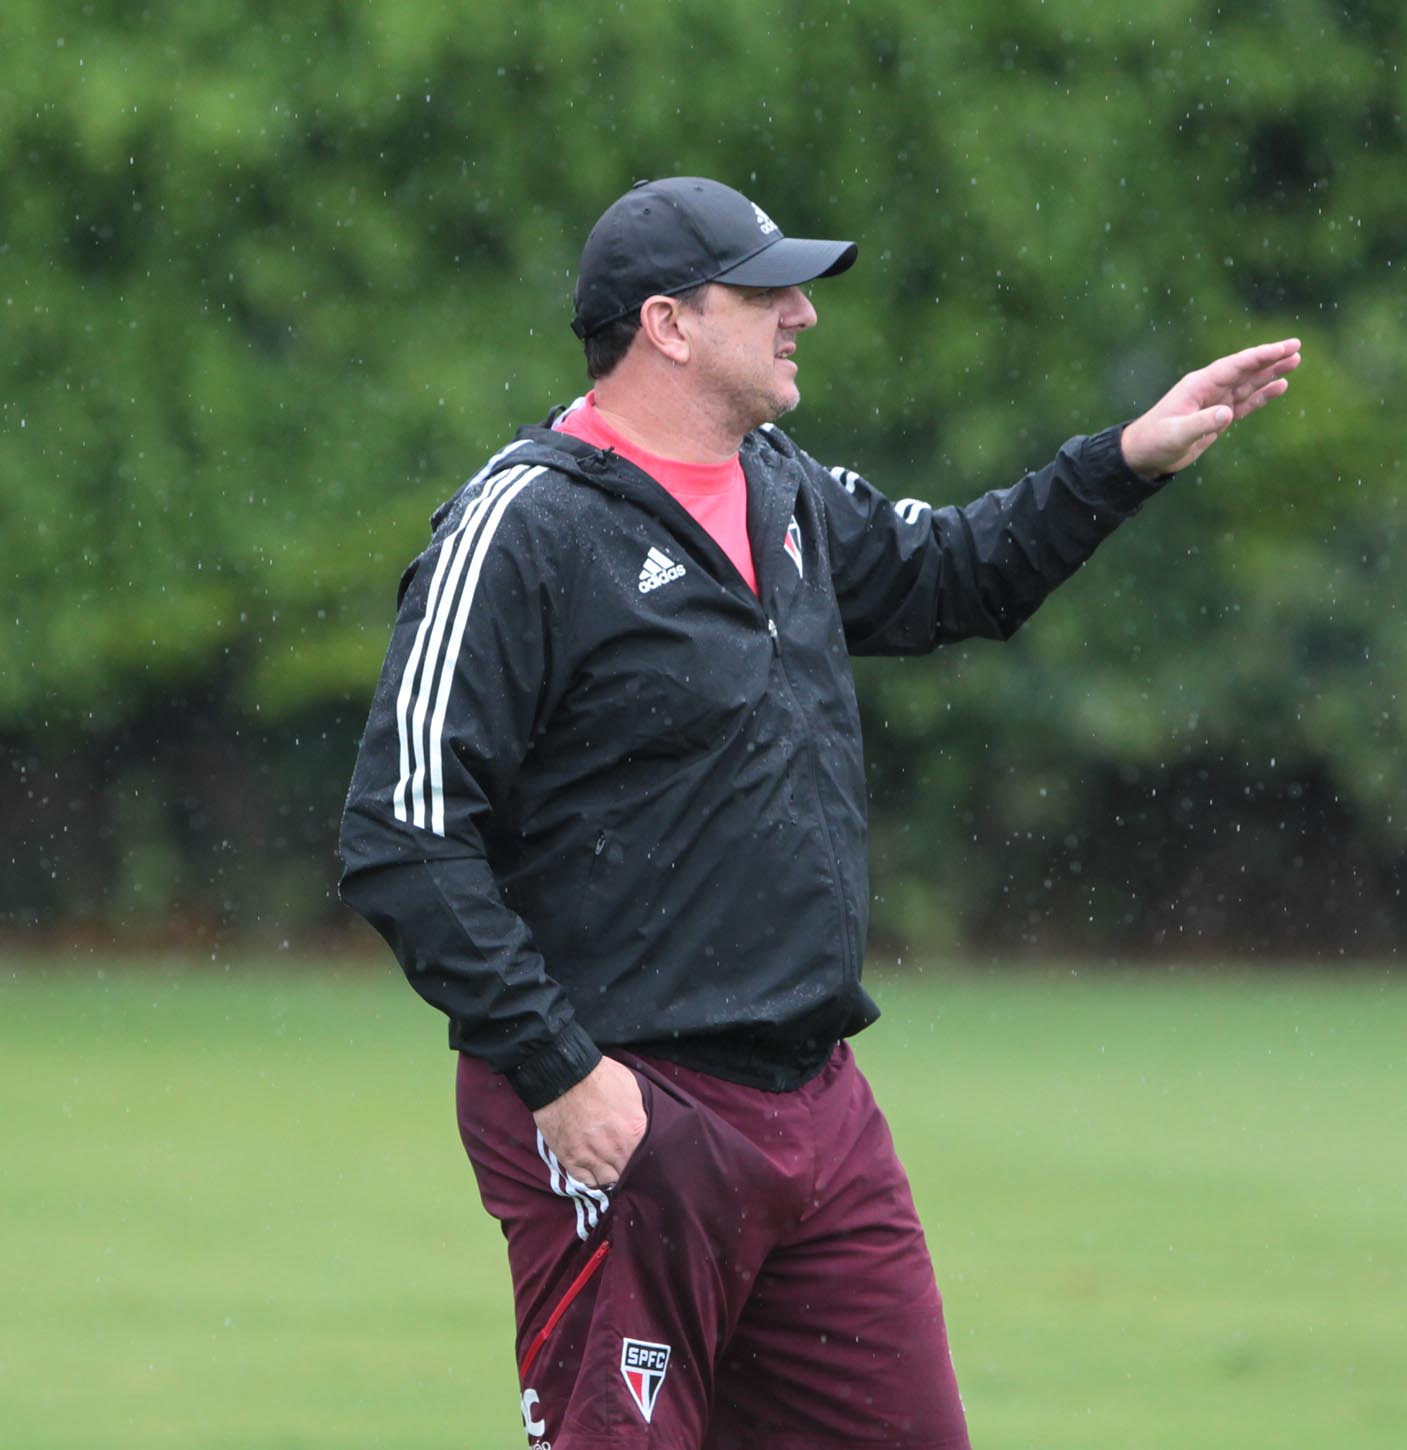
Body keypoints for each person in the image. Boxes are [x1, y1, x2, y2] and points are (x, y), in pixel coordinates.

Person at [338, 175, 1299, 1448]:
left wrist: (1122, 460)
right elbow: (402, 834)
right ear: (667, 324)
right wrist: (560, 1071)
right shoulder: (526, 524)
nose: (801, 311)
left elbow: (959, 575)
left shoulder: (779, 487)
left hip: (817, 1112)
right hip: (630, 1110)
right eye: (766, 290)